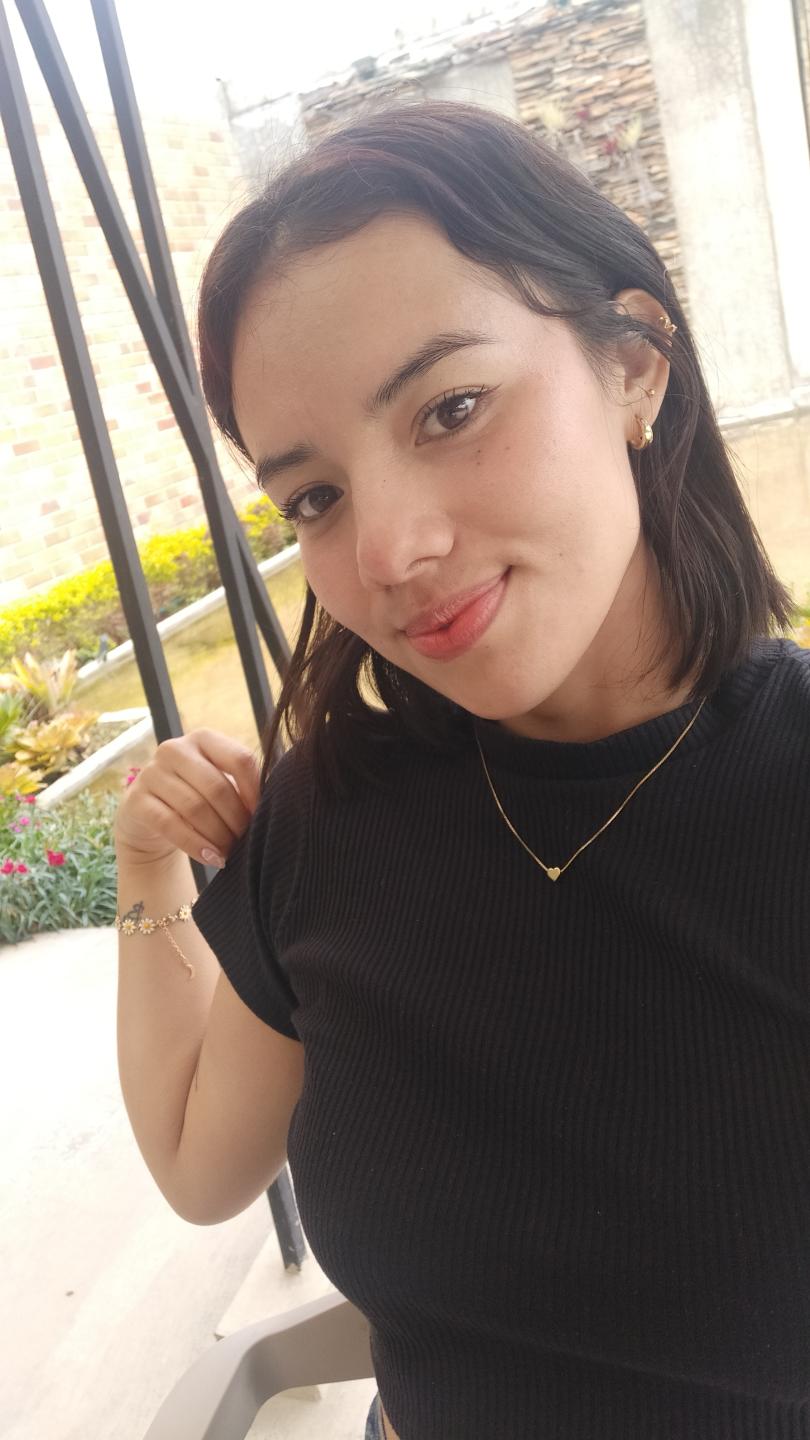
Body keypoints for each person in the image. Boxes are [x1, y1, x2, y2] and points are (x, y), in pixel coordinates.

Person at [113, 101, 810, 1440]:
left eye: (451, 409)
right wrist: (149, 870)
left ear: (634, 366)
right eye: (314, 497)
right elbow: (203, 1169)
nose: (388, 551)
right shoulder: (335, 817)